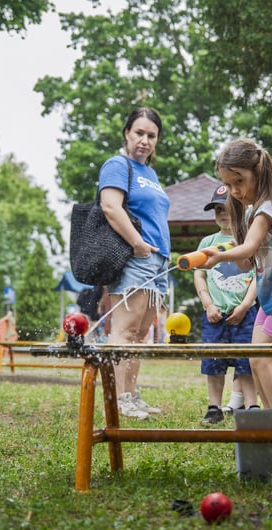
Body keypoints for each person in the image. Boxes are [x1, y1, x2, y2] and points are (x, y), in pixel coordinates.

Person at [200, 139, 272, 409]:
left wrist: (219, 256)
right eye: (228, 185)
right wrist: (237, 255)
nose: (234, 191)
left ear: (258, 174)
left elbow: (248, 247)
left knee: (261, 359)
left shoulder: (269, 206)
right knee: (254, 359)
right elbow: (249, 259)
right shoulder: (254, 210)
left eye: (239, 181)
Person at [100, 107, 171, 420]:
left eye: (151, 135)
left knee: (142, 334)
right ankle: (117, 399)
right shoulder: (118, 165)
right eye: (139, 133)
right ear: (127, 134)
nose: (145, 140)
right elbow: (111, 207)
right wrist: (138, 244)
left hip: (158, 260)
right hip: (136, 257)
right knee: (125, 330)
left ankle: (131, 394)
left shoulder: (151, 174)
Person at [194, 184, 259, 424]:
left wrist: (244, 306)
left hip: (245, 313)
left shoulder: (249, 240)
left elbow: (256, 275)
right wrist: (208, 304)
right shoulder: (208, 241)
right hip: (215, 314)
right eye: (217, 209)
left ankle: (252, 405)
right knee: (213, 362)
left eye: (228, 208)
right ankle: (214, 407)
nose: (222, 213)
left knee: (247, 361)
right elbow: (199, 273)